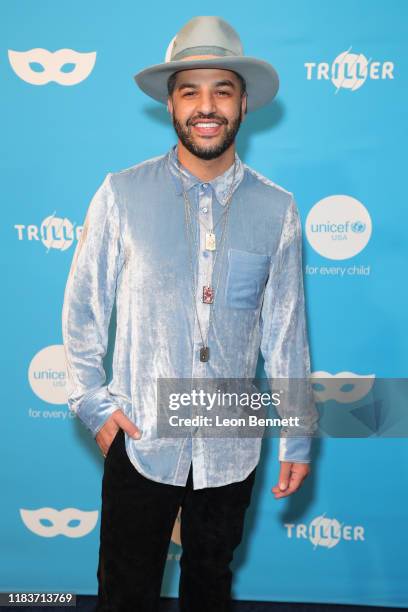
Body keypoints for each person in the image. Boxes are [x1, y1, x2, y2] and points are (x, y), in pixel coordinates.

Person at [61, 15, 318, 612]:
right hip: (142, 438)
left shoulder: (277, 209)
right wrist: (94, 404)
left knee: (211, 588)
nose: (207, 106)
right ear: (170, 104)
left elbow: (285, 334)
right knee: (124, 593)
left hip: (230, 443)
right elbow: (82, 309)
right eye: (190, 91)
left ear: (244, 104)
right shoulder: (121, 194)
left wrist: (298, 437)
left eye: (222, 90)